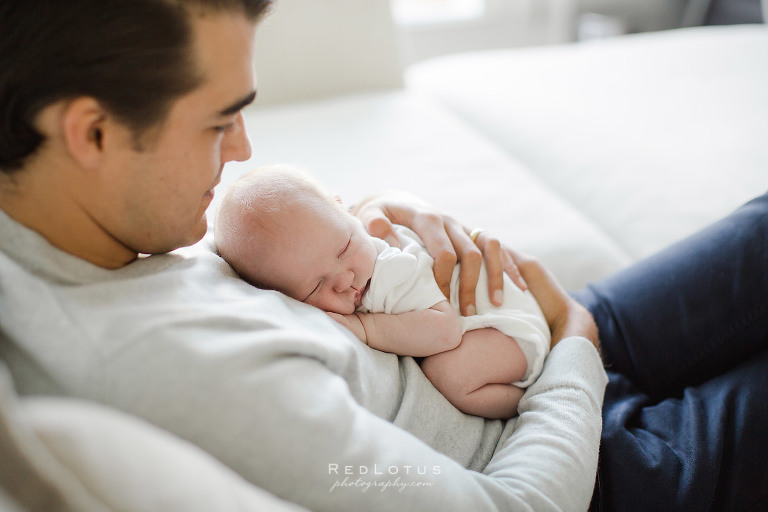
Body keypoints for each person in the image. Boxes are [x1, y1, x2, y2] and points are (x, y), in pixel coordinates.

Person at [0, 1, 765, 511]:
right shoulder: (169, 372)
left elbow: (264, 245)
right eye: (216, 124)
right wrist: (573, 350)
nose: (243, 149)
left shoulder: (91, 235)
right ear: (91, 133)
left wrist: (361, 221)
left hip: (534, 346)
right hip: (596, 464)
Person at [215, 165, 550, 419]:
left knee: (450, 376)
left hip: (509, 327)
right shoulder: (340, 249)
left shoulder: (390, 268)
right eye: (316, 285)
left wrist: (367, 328)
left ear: (346, 212)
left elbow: (444, 332)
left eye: (344, 248)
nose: (345, 279)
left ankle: (528, 402)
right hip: (496, 326)